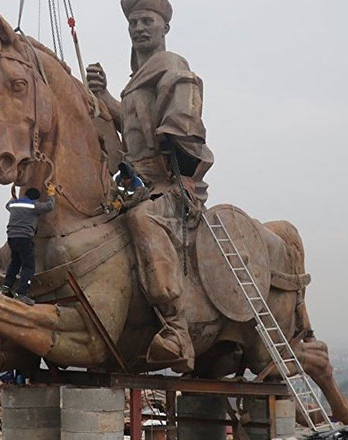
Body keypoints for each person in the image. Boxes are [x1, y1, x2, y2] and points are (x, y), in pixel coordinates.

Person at [85, 0, 214, 373]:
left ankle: (176, 328)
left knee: (143, 220)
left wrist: (173, 135)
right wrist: (104, 95)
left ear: (164, 28)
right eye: (134, 22)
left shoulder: (174, 69)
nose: (139, 27)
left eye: (147, 21)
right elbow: (130, 126)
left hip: (167, 181)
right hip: (131, 180)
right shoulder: (135, 82)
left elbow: (184, 119)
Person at [1, 184, 56, 306]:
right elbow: (50, 206)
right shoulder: (33, 206)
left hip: (12, 238)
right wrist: (51, 194)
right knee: (29, 266)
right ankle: (22, 294)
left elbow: (7, 205)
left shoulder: (14, 205)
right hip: (24, 238)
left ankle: (6, 287)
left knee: (15, 262)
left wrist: (13, 196)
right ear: (35, 198)